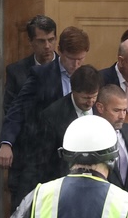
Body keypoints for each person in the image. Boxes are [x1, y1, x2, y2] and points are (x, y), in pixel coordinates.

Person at [0, 26, 90, 209]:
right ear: (61, 51)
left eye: (81, 59)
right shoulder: (41, 75)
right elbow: (18, 109)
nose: (76, 65)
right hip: (42, 159)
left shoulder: (88, 77)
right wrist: (6, 142)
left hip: (75, 161)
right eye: (72, 59)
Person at [16, 65, 103, 202]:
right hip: (64, 187)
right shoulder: (52, 116)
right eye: (85, 98)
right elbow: (41, 161)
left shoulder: (102, 109)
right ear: (73, 91)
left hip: (98, 186)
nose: (90, 102)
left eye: (94, 97)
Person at [95, 84, 128, 199]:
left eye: (124, 110)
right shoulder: (92, 138)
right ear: (100, 107)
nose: (122, 116)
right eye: (116, 110)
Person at [3, 15, 57, 114]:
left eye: (51, 40)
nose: (47, 46)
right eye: (41, 41)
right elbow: (11, 111)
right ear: (30, 41)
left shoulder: (68, 68)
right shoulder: (16, 72)